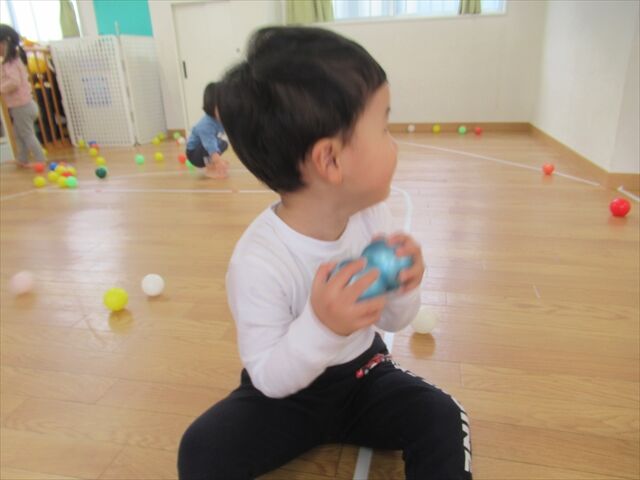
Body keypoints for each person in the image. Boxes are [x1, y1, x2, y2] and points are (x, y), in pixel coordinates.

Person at [178, 27, 472, 480]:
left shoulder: (372, 216)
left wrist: (403, 286)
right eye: (384, 128)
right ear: (331, 160)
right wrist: (322, 326)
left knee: (443, 415)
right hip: (286, 400)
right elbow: (268, 375)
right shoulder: (258, 261)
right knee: (200, 452)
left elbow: (395, 321)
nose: (394, 143)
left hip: (363, 378)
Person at [0, 24, 46, 168]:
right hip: (23, 105)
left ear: (4, 44)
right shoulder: (12, 60)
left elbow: (14, 82)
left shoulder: (10, 63)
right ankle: (22, 158)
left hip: (22, 106)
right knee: (18, 134)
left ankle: (40, 160)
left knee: (26, 134)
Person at [185, 82, 229, 179]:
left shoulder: (219, 118)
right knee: (210, 146)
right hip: (194, 154)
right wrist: (218, 161)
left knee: (224, 144)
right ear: (211, 106)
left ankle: (213, 162)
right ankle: (210, 169)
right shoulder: (206, 125)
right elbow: (210, 146)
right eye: (221, 107)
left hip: (204, 147)